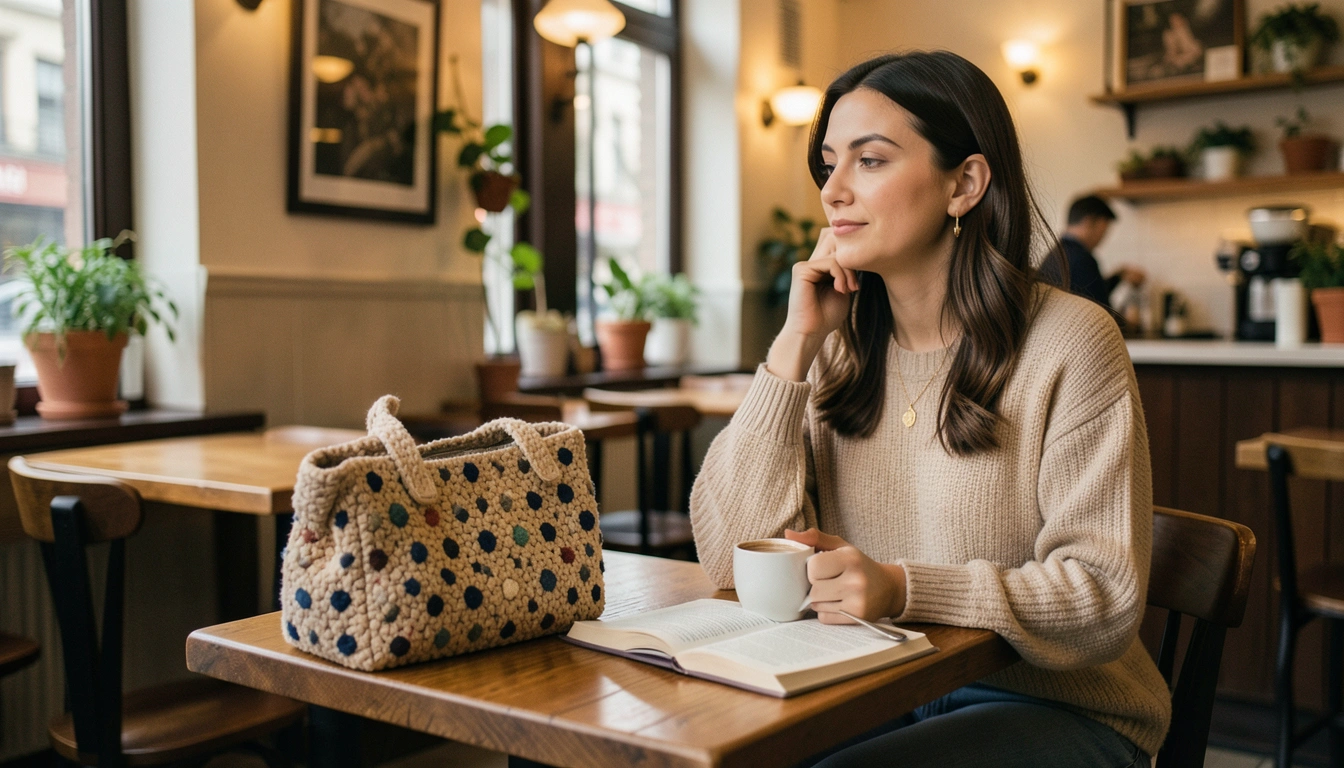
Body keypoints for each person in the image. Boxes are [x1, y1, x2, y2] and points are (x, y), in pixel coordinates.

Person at [689, 51, 1168, 768]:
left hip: (1059, 708)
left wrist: (903, 588)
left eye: (870, 161)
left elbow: (1102, 599)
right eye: (828, 164)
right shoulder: (838, 350)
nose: (833, 192)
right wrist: (794, 346)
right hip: (878, 689)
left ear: (964, 183)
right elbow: (730, 560)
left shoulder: (1070, 341)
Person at [1049, 195, 1146, 313]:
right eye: (1103, 230)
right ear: (1088, 222)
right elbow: (1101, 311)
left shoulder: (1058, 254)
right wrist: (1127, 323)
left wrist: (1118, 277)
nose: (1103, 238)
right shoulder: (1081, 259)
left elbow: (1086, 294)